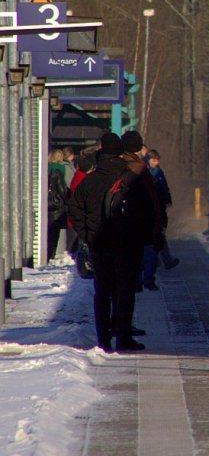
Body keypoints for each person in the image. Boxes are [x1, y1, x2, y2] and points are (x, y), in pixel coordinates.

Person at [69, 132, 154, 352]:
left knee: (103, 291)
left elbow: (74, 209)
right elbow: (147, 211)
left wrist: (87, 234)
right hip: (128, 244)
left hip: (99, 244)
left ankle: (103, 340)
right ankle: (123, 337)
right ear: (119, 153)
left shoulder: (90, 181)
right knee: (125, 291)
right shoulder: (132, 179)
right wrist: (142, 236)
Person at [120, 130, 164, 293]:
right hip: (141, 218)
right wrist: (158, 221)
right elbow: (152, 197)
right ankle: (147, 280)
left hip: (120, 219)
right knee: (146, 250)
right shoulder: (140, 169)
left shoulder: (112, 166)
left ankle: (135, 281)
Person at [145, 148, 179, 273]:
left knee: (158, 234)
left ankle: (160, 259)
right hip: (152, 208)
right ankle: (164, 259)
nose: (156, 163)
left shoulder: (157, 171)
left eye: (157, 160)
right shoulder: (147, 172)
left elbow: (164, 187)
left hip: (158, 207)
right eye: (154, 160)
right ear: (149, 160)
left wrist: (167, 199)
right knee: (157, 234)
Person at [47, 150, 69, 262]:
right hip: (56, 205)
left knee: (49, 230)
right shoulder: (60, 170)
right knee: (55, 232)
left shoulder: (46, 168)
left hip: (47, 204)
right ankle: (51, 254)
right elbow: (62, 189)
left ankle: (47, 253)